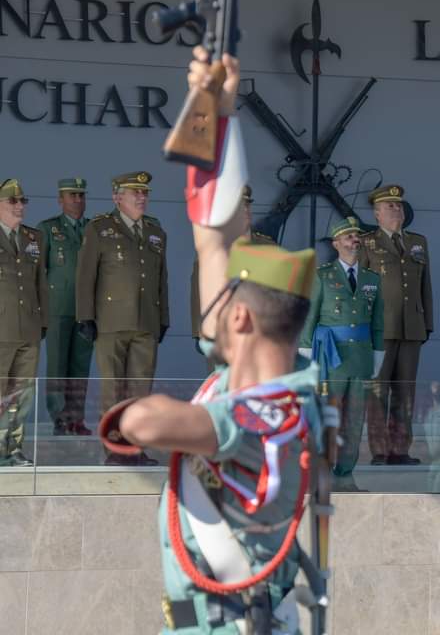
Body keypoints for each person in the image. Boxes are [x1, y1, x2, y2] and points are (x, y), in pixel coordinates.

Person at [100, 47, 329, 633]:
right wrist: (217, 112)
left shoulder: (270, 414)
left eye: (224, 302)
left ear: (243, 322)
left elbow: (144, 424)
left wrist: (143, 412)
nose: (212, 305)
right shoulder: (254, 377)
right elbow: (213, 239)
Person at [76, 170, 168, 465]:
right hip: (110, 322)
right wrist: (85, 317)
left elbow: (161, 280)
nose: (142, 197)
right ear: (117, 197)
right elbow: (85, 276)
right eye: (134, 192)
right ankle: (115, 451)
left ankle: (136, 448)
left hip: (146, 324)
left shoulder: (155, 232)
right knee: (113, 391)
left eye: (144, 193)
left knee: (140, 392)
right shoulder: (99, 229)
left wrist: (163, 317)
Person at [299, 215, 384, 478]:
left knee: (356, 418)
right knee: (328, 414)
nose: (355, 240)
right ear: (336, 243)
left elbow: (378, 323)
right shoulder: (322, 276)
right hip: (330, 357)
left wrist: (377, 357)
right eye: (348, 236)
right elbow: (309, 318)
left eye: (357, 235)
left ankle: (346, 471)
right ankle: (322, 467)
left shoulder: (373, 278)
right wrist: (307, 358)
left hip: (361, 357)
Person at [358, 184, 432, 465]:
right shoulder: (368, 244)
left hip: (411, 327)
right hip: (379, 329)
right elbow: (363, 288)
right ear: (377, 214)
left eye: (399, 205)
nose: (396, 209)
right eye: (389, 206)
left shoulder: (418, 242)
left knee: (405, 390)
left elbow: (426, 286)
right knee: (378, 390)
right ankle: (380, 450)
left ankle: (400, 449)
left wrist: (427, 323)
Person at [190, 185, 275, 364]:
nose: (244, 211)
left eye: (247, 205)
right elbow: (200, 292)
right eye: (238, 207)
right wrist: (200, 331)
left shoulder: (268, 246)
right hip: (223, 330)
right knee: (224, 383)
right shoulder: (216, 247)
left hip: (260, 329)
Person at [38, 177, 93, 436]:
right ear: (60, 199)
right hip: (58, 307)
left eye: (81, 195)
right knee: (57, 365)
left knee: (81, 367)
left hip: (86, 310)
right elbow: (39, 272)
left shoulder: (94, 229)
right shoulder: (47, 229)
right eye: (72, 195)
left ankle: (76, 419)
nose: (78, 200)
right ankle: (60, 418)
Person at [0, 179, 47, 466]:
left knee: (22, 394)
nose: (19, 206)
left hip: (29, 329)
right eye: (12, 201)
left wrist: (43, 323)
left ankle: (13, 448)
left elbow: (42, 282)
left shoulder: (34, 238)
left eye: (22, 201)